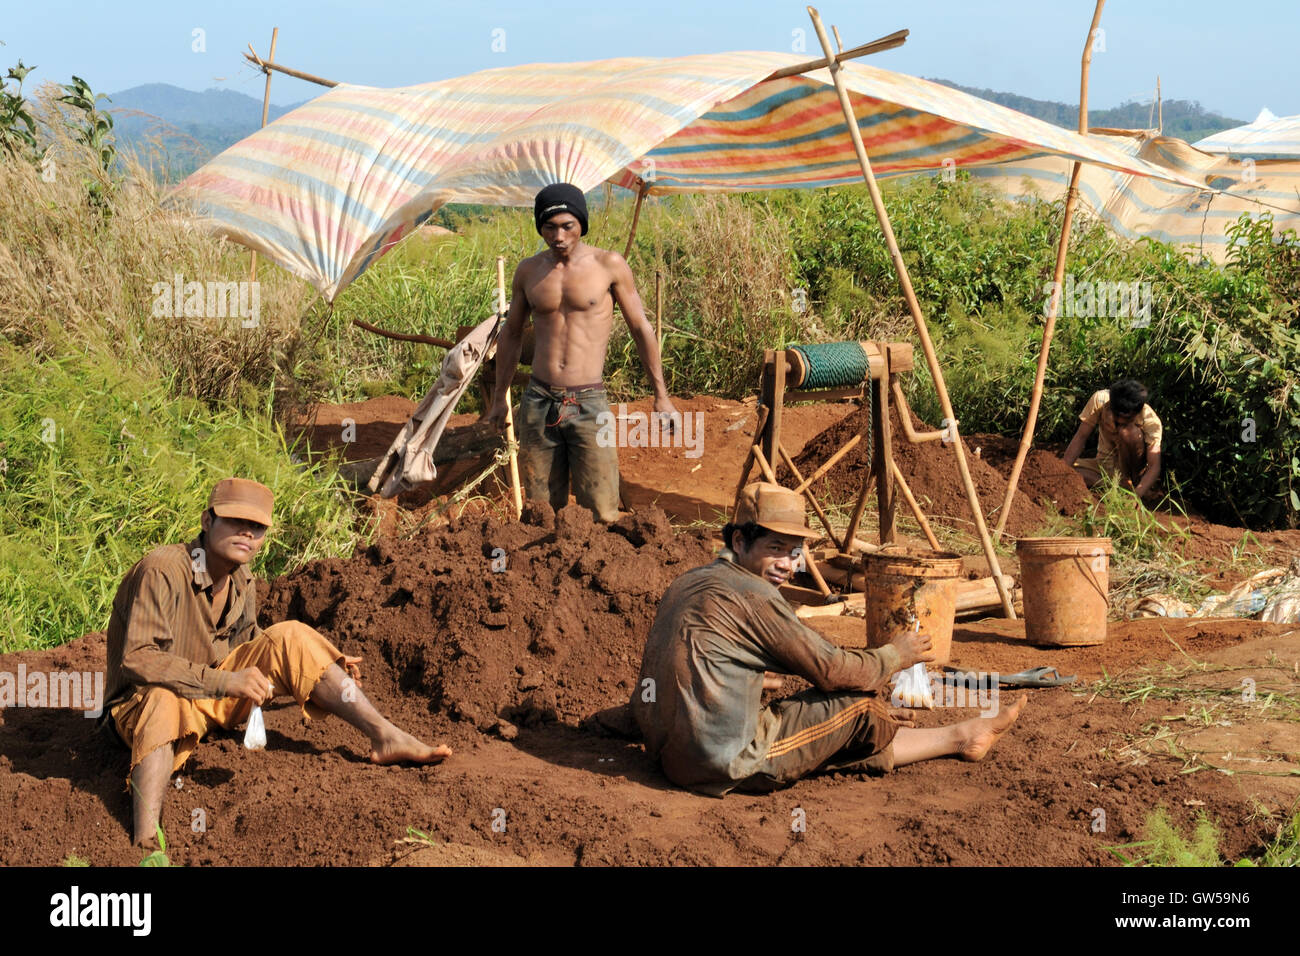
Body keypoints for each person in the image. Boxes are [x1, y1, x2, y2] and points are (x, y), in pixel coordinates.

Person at [103, 478, 452, 847]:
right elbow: (138, 659)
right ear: (207, 521)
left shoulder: (241, 578)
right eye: (236, 521)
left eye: (257, 527)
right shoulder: (163, 570)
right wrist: (225, 683)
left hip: (206, 699)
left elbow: (254, 645)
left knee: (294, 636)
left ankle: (386, 736)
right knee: (163, 697)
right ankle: (146, 844)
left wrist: (318, 659)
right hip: (141, 707)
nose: (247, 533)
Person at [631, 482, 1026, 796]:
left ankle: (960, 737)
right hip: (719, 762)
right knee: (858, 706)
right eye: (775, 549)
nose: (789, 564)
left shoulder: (688, 580)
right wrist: (893, 656)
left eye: (795, 551)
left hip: (666, 754)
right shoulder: (755, 596)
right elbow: (832, 670)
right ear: (739, 542)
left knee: (827, 714)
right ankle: (958, 735)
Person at [482, 182, 678, 522]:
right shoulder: (529, 271)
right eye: (549, 227)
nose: (558, 236)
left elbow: (640, 329)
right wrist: (501, 397)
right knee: (541, 510)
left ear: (581, 224)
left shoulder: (609, 265)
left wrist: (661, 396)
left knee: (602, 509)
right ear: (540, 228)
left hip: (588, 403)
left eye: (566, 226)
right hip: (539, 401)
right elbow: (511, 333)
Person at [1061, 379, 1163, 500]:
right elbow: (1081, 436)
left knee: (1128, 432)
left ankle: (1132, 483)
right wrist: (1062, 469)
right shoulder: (1100, 400)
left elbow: (1154, 465)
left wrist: (1135, 496)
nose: (1118, 421)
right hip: (1102, 466)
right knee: (1069, 472)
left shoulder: (1151, 421)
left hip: (1132, 470)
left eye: (1126, 419)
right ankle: (1119, 487)